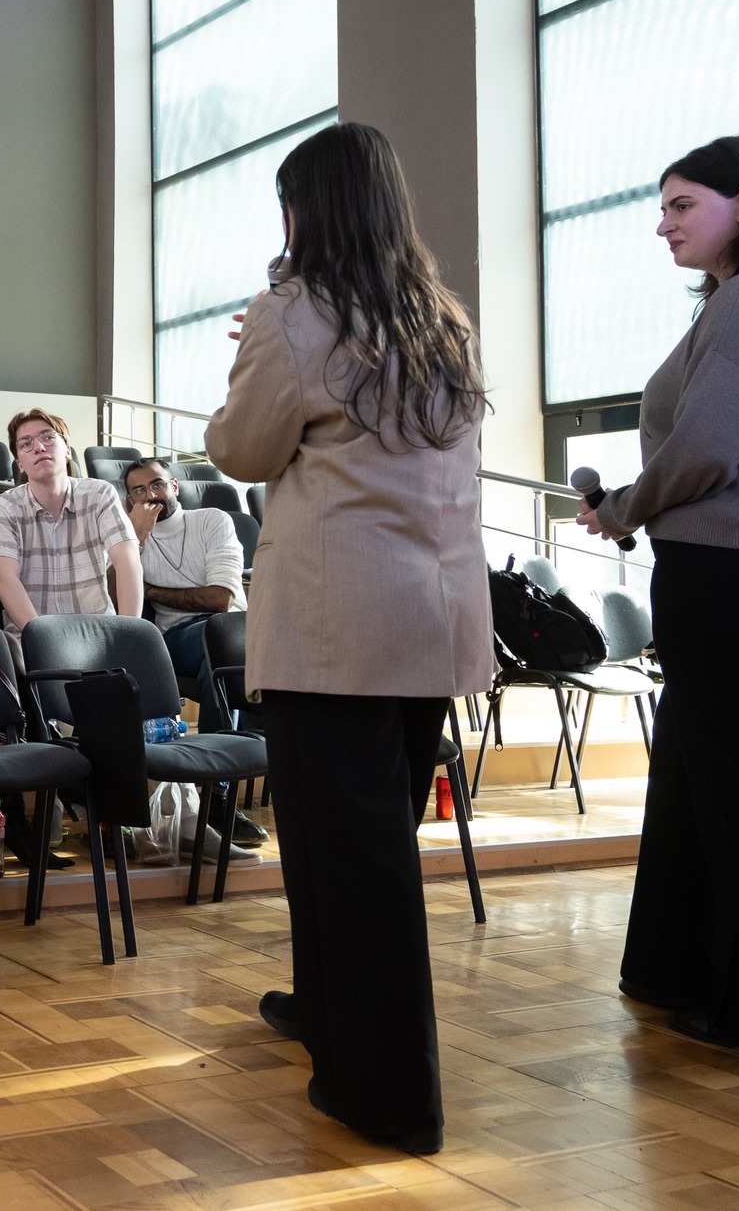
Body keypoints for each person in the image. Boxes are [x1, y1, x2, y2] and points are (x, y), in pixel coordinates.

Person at [205, 122, 491, 1153]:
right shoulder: (440, 317)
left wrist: (252, 356)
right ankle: (325, 1009)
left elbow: (242, 448)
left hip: (335, 623)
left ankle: (387, 1093)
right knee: (360, 842)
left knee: (353, 857)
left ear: (304, 211)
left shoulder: (293, 310)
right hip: (430, 617)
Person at [578, 134, 739, 1063]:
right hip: (722, 570)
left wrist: (623, 507)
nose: (664, 224)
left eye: (682, 204)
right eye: (661, 207)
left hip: (733, 575)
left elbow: (702, 450)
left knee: (738, 787)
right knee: (702, 780)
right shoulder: (735, 301)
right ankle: (689, 972)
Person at [0, 408, 143, 653]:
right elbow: (3, 579)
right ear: (20, 464)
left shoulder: (99, 494)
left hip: (98, 634)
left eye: (48, 437)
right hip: (31, 638)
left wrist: (128, 635)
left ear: (67, 450)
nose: (39, 447)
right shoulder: (4, 507)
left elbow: (127, 559)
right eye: (26, 444)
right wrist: (44, 642)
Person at [123, 458, 246, 727]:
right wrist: (135, 537)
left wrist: (152, 592)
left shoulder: (212, 520)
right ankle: (226, 745)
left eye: (157, 484)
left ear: (175, 487)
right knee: (218, 640)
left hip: (235, 628)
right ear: (130, 500)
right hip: (178, 637)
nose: (151, 495)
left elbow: (221, 600)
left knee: (219, 655)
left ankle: (223, 743)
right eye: (139, 490)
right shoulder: (129, 539)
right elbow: (114, 600)